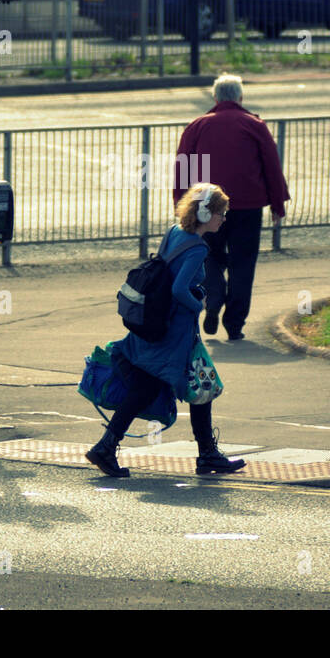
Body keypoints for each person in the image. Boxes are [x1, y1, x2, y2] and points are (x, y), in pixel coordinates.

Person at [86, 183, 247, 479]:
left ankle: (107, 447)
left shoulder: (175, 231)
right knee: (199, 386)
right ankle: (206, 454)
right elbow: (177, 288)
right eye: (221, 213)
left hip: (154, 323)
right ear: (204, 213)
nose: (224, 219)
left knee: (178, 387)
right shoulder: (198, 248)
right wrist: (199, 304)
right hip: (173, 335)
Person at [173, 74, 290, 341]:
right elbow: (271, 165)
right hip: (248, 205)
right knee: (243, 262)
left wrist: (181, 205)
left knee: (208, 255)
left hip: (206, 204)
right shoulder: (254, 125)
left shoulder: (197, 126)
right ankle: (235, 323)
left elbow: (184, 168)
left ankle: (213, 298)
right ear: (240, 97)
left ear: (215, 98)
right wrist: (277, 203)